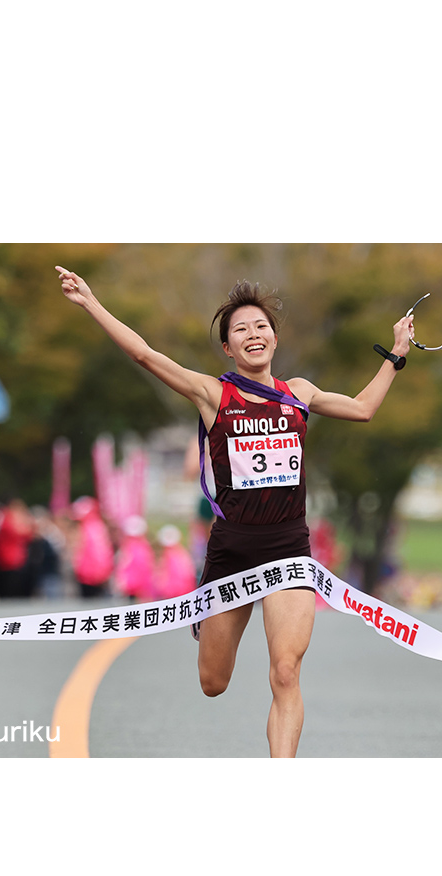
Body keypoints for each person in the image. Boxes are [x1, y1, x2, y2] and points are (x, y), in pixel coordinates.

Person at [56, 265, 412, 757]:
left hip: (288, 550)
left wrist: (396, 354)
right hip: (232, 552)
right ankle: (206, 622)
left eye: (261, 326)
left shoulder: (299, 393)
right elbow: (144, 354)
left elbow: (363, 408)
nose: (253, 334)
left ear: (275, 339)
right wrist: (92, 303)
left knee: (285, 672)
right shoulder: (212, 394)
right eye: (241, 329)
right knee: (213, 681)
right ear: (228, 347)